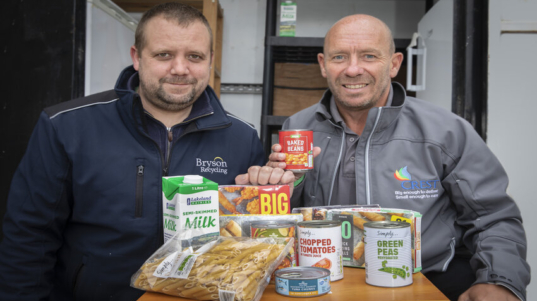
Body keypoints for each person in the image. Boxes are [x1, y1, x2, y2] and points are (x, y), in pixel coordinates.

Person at [0, 3, 293, 300]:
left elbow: (254, 247)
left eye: (194, 56)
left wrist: (272, 194)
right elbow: (28, 238)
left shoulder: (241, 137)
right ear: (137, 57)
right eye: (164, 54)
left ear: (210, 60)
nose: (180, 69)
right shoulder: (66, 127)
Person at [264, 14, 530, 301]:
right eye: (339, 57)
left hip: (426, 279)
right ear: (323, 65)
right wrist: (268, 190)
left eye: (369, 55)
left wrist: (499, 281)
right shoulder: (296, 129)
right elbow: (280, 218)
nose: (353, 69)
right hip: (323, 282)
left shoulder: (444, 131)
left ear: (394, 64)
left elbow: (492, 216)